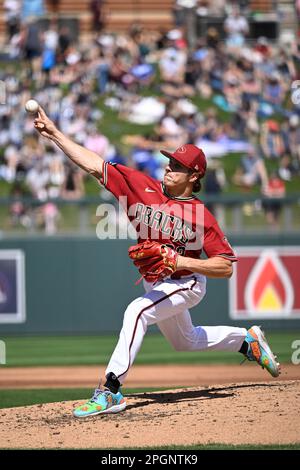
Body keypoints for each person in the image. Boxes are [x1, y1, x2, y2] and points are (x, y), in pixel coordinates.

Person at [34, 106, 280, 418]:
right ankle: (247, 341)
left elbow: (226, 265)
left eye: (178, 165)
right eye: (170, 161)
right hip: (157, 281)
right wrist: (55, 135)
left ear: (194, 176)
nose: (169, 167)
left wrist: (182, 262)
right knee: (185, 341)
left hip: (185, 282)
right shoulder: (141, 186)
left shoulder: (201, 216)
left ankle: (110, 390)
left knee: (136, 311)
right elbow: (95, 166)